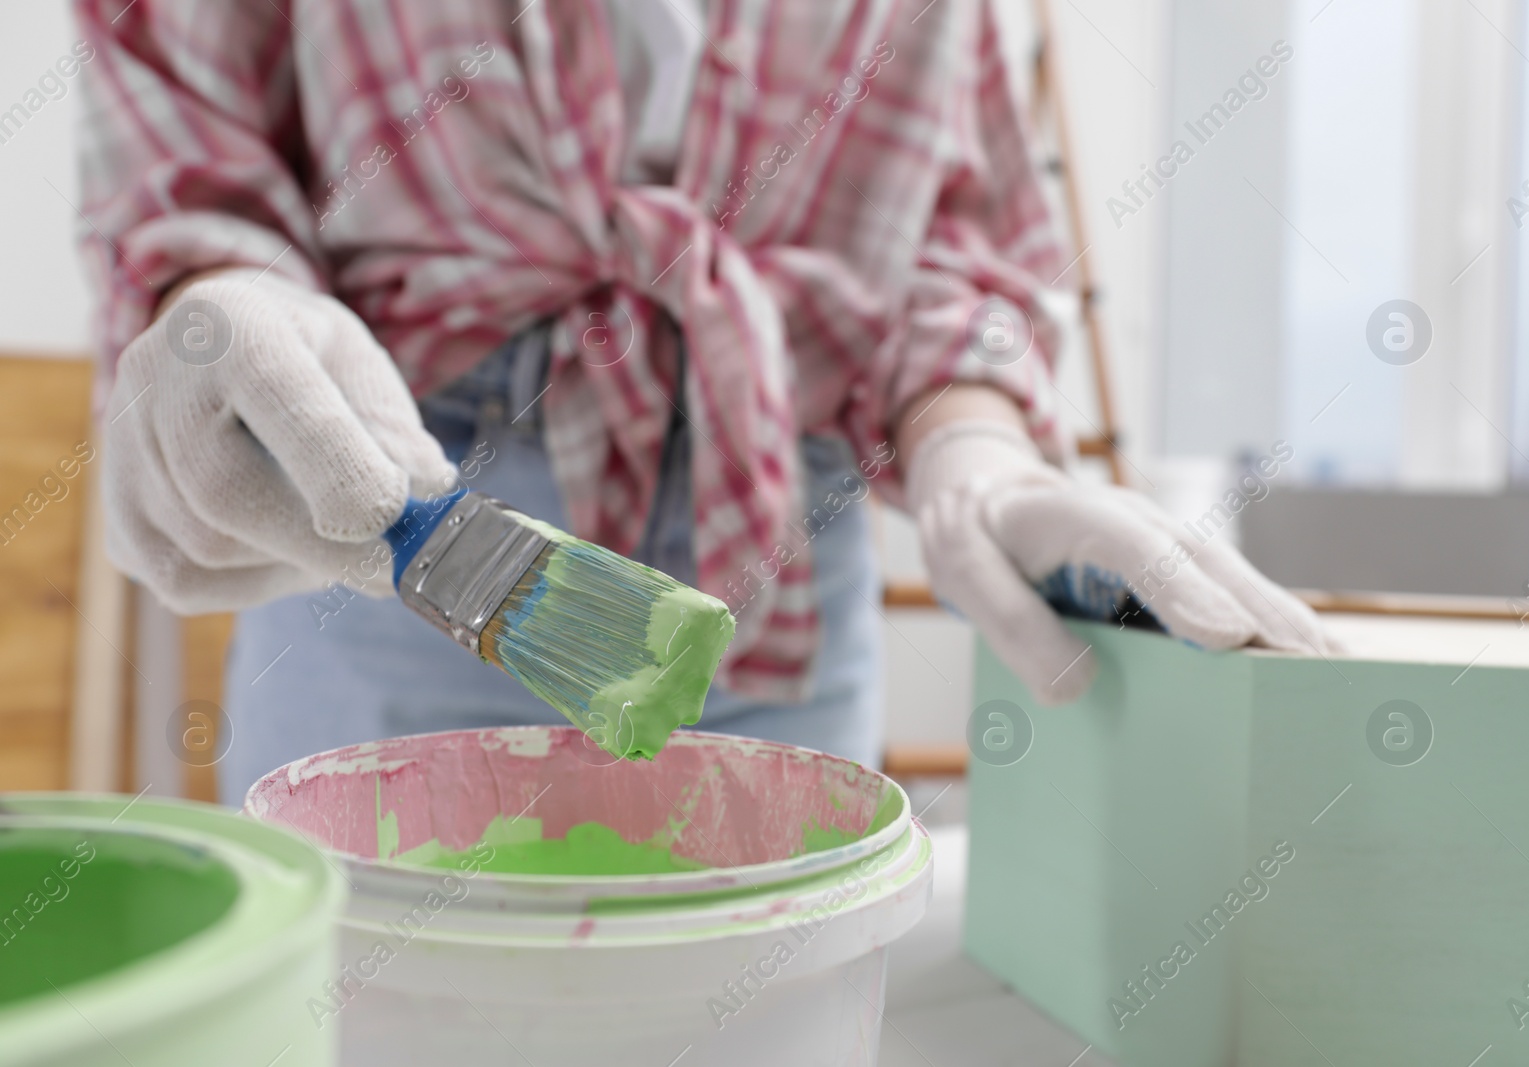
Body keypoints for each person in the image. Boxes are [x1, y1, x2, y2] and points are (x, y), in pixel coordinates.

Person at [76, 0, 1328, 804]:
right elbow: (187, 131)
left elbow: (951, 221)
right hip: (391, 497)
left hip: (780, 536)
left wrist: (976, 442)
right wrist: (214, 291)